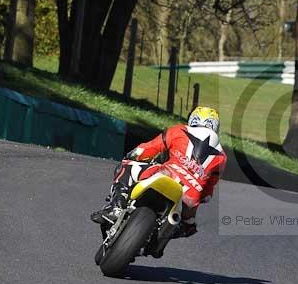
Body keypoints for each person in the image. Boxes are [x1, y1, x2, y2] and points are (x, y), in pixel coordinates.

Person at [90, 106, 226, 249]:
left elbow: (150, 148)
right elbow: (209, 190)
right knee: (189, 225)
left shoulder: (180, 130)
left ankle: (116, 207)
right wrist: (203, 196)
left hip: (165, 174)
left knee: (127, 165)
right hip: (189, 199)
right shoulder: (222, 157)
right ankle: (161, 241)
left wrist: (134, 154)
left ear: (193, 119)